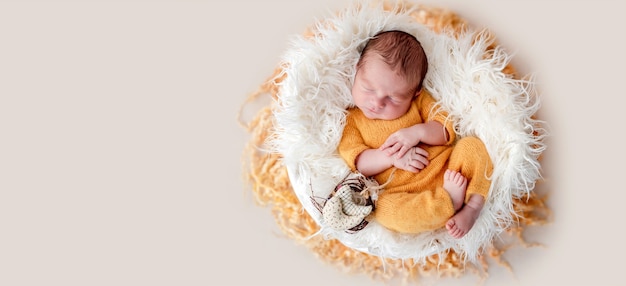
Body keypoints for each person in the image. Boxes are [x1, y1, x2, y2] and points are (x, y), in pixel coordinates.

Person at [337, 30, 493, 239]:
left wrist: (418, 132)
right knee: (385, 211)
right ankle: (448, 203)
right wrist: (391, 157)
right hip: (404, 192)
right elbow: (360, 163)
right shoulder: (351, 120)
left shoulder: (419, 102)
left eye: (393, 99)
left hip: (447, 170)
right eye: (368, 88)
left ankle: (472, 207)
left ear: (415, 93)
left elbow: (447, 131)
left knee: (472, 146)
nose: (377, 103)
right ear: (356, 70)